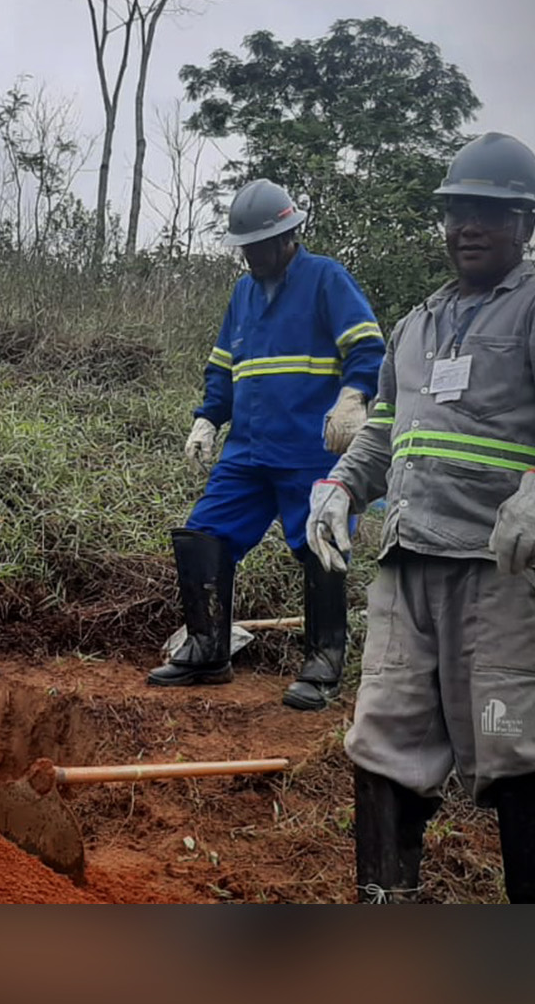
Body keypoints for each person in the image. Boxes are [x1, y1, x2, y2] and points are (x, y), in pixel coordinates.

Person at [307, 132, 535, 903]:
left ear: (527, 225)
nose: (468, 227)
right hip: (408, 561)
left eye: (489, 212)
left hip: (501, 568)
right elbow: (382, 426)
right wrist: (343, 488)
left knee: (517, 747)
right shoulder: (417, 324)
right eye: (456, 211)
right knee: (383, 744)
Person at [147, 178, 386, 709]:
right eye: (245, 248)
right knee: (205, 533)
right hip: (248, 450)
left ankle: (323, 660)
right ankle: (208, 650)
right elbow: (224, 366)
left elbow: (367, 347)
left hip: (308, 449)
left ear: (288, 237)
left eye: (259, 246)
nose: (251, 256)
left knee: (320, 544)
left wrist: (353, 397)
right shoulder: (243, 294)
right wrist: (208, 418)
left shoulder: (326, 279)